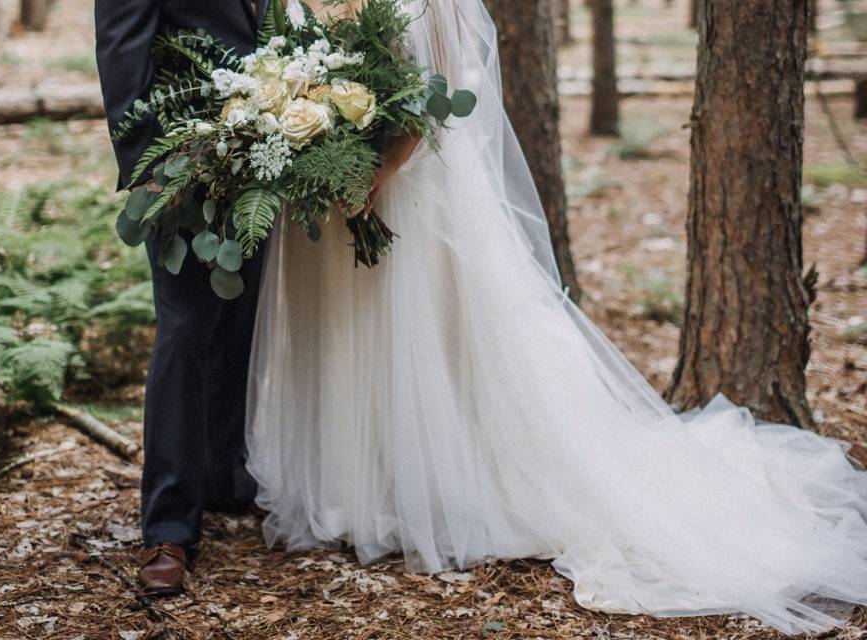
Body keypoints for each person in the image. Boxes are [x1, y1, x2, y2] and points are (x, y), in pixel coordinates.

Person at [244, 0, 867, 635]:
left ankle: (434, 490)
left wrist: (381, 170)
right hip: (323, 191)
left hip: (412, 191)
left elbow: (447, 81)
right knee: (349, 330)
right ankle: (360, 487)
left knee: (424, 332)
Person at [94, 0, 270, 597]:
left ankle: (223, 480)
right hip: (180, 158)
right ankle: (168, 525)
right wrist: (146, 161)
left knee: (236, 321)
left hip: (265, 152)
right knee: (187, 327)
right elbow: (121, 42)